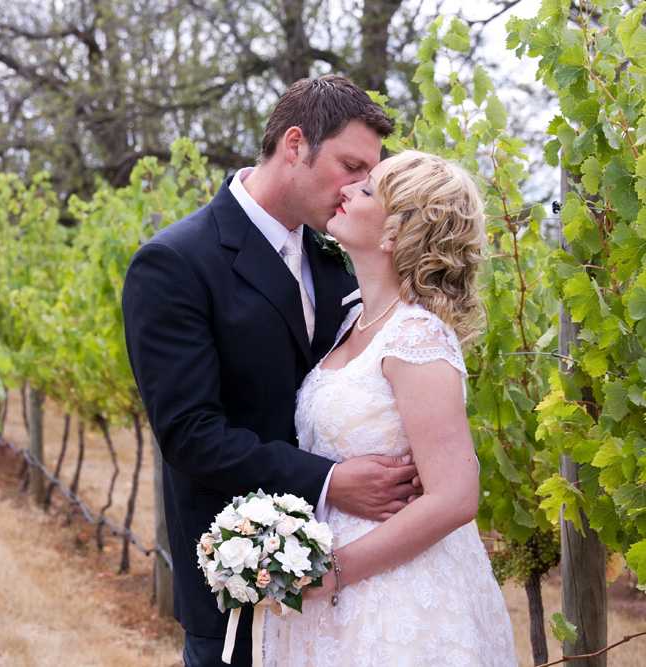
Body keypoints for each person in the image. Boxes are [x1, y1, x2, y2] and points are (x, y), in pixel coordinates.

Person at [122, 76, 421, 667]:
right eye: (350, 165)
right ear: (294, 145)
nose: (359, 188)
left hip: (355, 592)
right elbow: (189, 433)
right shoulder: (176, 263)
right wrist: (332, 481)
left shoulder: (338, 261)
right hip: (238, 584)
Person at [262, 150, 517, 665]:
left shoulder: (418, 336)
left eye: (368, 190)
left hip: (396, 590)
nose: (348, 190)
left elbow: (455, 497)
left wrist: (336, 568)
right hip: (333, 588)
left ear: (397, 235)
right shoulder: (352, 323)